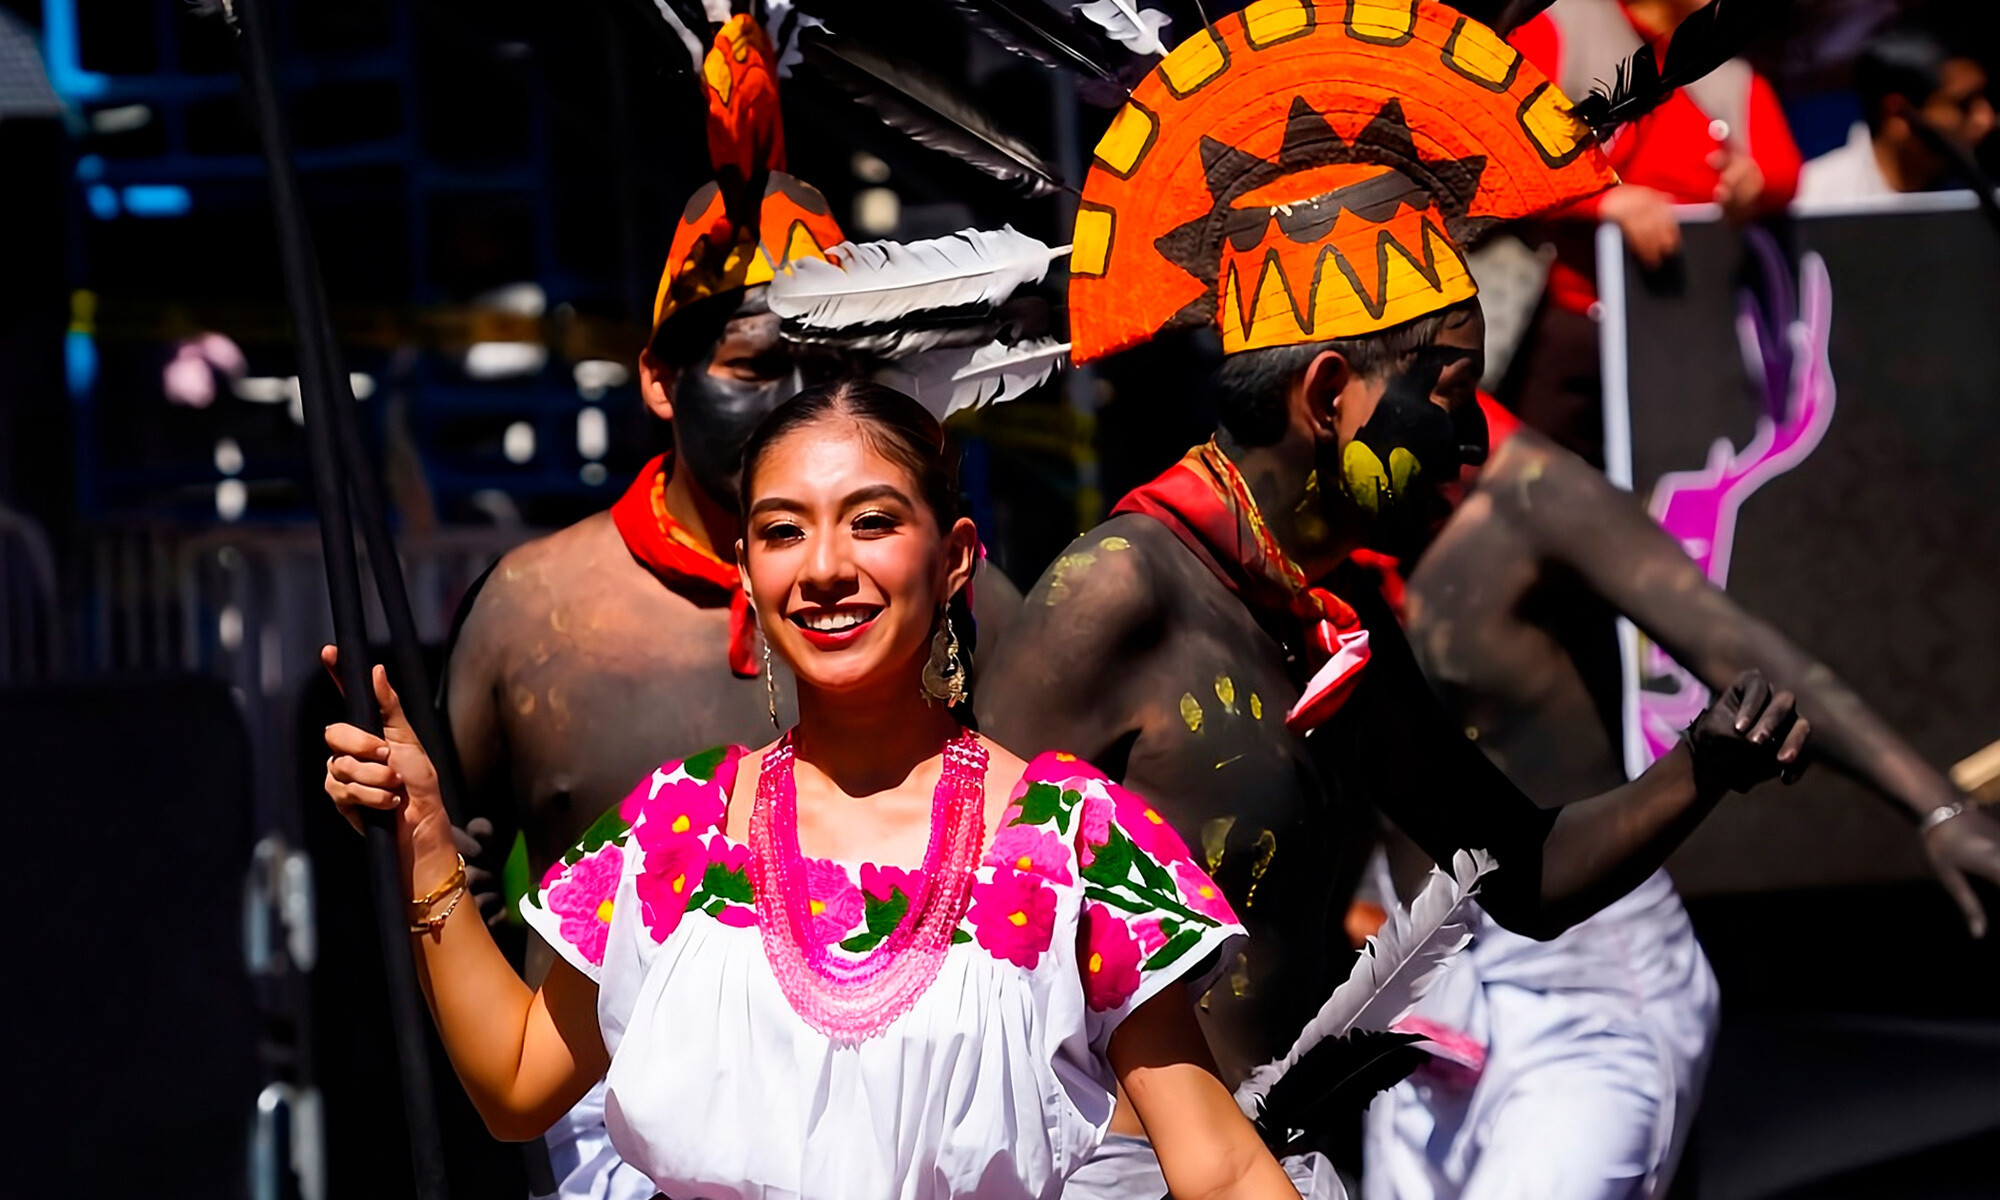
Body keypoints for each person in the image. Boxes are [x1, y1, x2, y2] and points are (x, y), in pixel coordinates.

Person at [975, 5, 1810, 1193]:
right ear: (1328, 397)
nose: (1470, 439)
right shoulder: (1120, 589)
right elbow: (959, 936)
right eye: (1450, 390)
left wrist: (1700, 769)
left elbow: (1521, 873)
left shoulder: (1322, 623)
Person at [325, 380, 1305, 1200]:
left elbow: (1217, 1168)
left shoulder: (1072, 838)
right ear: (748, 572)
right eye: (782, 531)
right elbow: (514, 1081)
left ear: (954, 559)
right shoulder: (679, 825)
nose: (825, 568)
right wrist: (426, 838)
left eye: (872, 522)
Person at [442, 17, 1022, 1199]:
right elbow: (461, 897)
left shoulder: (953, 602)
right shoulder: (535, 612)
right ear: (661, 379)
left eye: (827, 366)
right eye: (756, 368)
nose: (794, 404)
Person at [1358, 399, 2000, 1200]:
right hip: (1422, 991)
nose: (1456, 406)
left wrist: (1939, 808)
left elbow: (1734, 646)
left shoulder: (1533, 492)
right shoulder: (1319, 528)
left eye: (1458, 368)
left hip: (1583, 989)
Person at [1501, 0, 1802, 463]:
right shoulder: (1567, 24)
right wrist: (1604, 200)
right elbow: (1505, 152)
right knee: (1552, 479)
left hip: (1690, 328)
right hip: (1579, 319)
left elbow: (1785, 171)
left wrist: (1753, 181)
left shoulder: (1725, 65)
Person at [1797, 25, 1996, 202]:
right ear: (1897, 115)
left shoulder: (1988, 192)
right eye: (1963, 105)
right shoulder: (1814, 199)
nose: (1986, 119)